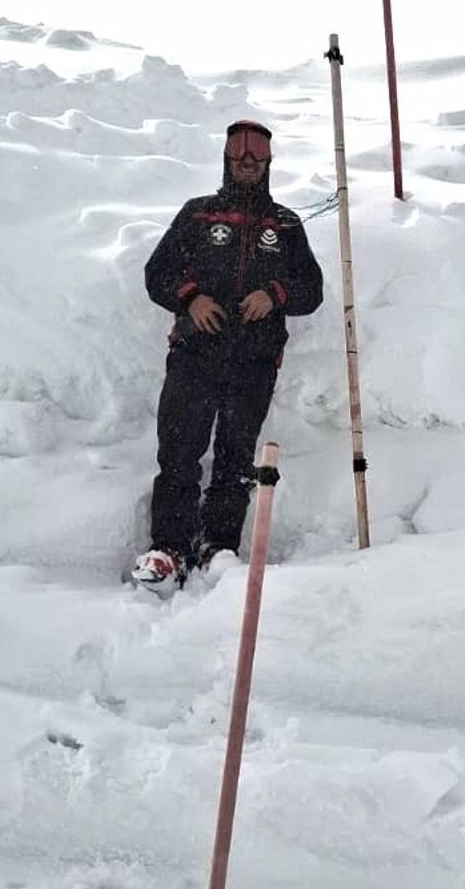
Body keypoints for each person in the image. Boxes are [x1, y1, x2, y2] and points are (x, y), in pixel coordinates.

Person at [132, 120, 324, 587]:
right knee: (179, 452)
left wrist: (274, 294)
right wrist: (190, 297)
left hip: (254, 364)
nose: (248, 163)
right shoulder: (198, 215)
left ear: (268, 164)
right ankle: (168, 549)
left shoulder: (285, 224)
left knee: (235, 460)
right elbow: (157, 272)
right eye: (240, 156)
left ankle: (218, 548)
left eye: (256, 158)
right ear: (226, 159)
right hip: (194, 355)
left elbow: (311, 290)